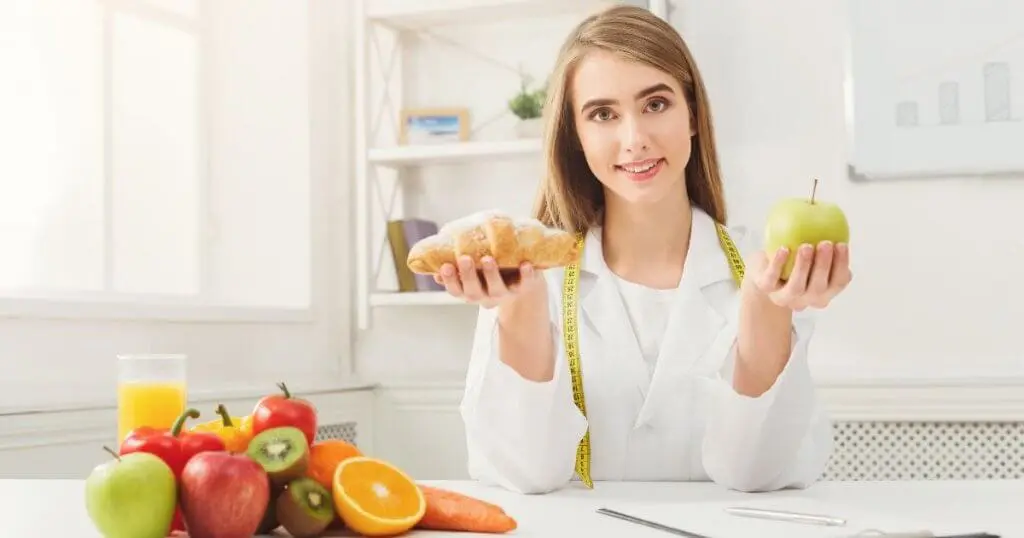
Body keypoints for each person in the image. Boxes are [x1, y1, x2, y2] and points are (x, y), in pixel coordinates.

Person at [435, 5, 852, 494]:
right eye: (603, 114)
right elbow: (525, 475)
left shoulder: (766, 273)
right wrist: (522, 309)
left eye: (655, 104)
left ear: (693, 115)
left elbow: (757, 474)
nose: (634, 139)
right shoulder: (529, 278)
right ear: (577, 137)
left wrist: (765, 310)